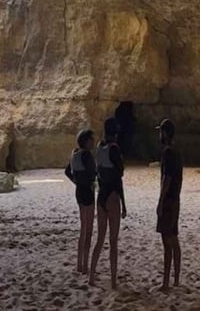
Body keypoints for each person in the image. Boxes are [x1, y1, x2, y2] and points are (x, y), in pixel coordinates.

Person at [88, 116, 126, 289]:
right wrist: (124, 203)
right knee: (113, 242)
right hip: (112, 196)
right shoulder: (114, 148)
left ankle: (91, 276)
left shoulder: (99, 147)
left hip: (101, 196)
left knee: (100, 238)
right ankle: (112, 281)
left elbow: (100, 171)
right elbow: (119, 177)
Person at [155, 118, 183, 291]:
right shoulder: (177, 151)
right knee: (174, 238)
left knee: (166, 241)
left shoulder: (167, 152)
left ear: (164, 133)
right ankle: (176, 279)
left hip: (168, 200)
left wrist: (160, 200)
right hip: (176, 198)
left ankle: (165, 282)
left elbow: (167, 178)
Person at [64, 128, 96, 274]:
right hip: (88, 192)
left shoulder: (74, 154)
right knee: (88, 230)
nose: (93, 142)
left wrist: (76, 181)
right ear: (86, 141)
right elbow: (93, 174)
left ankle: (79, 263)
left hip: (79, 192)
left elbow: (67, 172)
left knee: (82, 229)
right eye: (91, 139)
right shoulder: (87, 156)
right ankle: (85, 265)